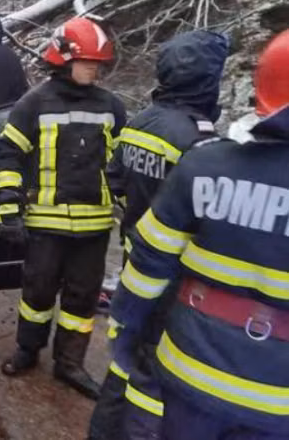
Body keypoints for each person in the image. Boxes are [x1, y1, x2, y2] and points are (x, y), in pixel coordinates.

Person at [109, 30, 289, 440]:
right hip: (278, 401)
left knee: (136, 395)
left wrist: (123, 326)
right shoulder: (194, 140)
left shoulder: (205, 162)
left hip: (189, 369)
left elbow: (147, 260)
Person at [88, 30, 229, 440]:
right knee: (154, 376)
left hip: (137, 261)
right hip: (175, 278)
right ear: (206, 80)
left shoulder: (140, 122)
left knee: (123, 355)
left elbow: (114, 178)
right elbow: (209, 221)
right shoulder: (199, 142)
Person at [0, 16, 126, 400]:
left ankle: (70, 363)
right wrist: (8, 210)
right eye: (88, 61)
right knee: (37, 293)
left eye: (98, 63)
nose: (94, 69)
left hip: (95, 227)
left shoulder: (112, 107)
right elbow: (8, 157)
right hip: (46, 225)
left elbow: (123, 166)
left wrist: (132, 213)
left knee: (81, 301)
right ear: (64, 58)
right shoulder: (33, 103)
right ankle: (28, 349)